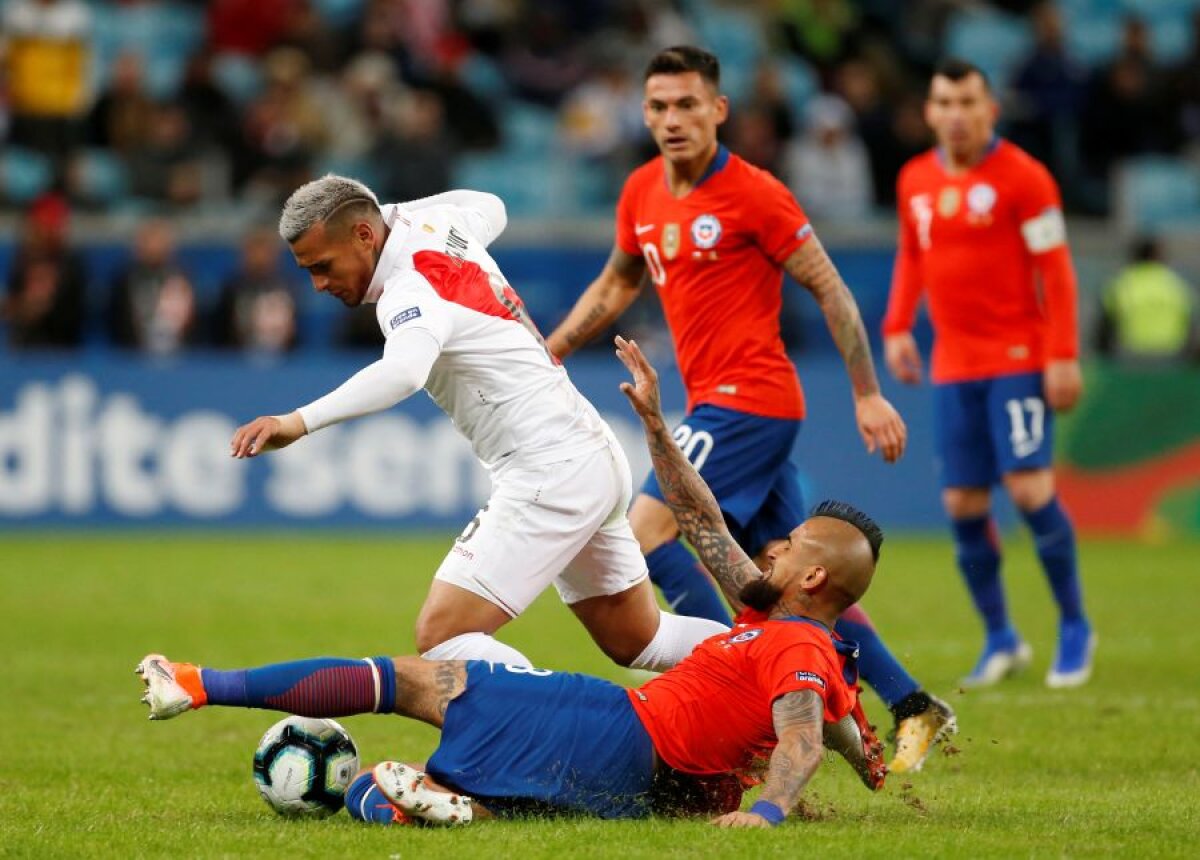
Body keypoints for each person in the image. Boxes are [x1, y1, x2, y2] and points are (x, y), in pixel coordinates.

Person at [137, 337, 888, 828]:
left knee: (424, 681)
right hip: (643, 778)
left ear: (813, 577)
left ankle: (201, 684)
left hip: (620, 729)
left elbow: (801, 737)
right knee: (369, 790)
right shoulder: (775, 617)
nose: (771, 548)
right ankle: (459, 809)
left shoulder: (796, 645)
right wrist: (657, 426)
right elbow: (700, 518)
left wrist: (769, 814)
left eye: (786, 548)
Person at [544, 45, 952, 772]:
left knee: (643, 536)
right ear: (644, 113)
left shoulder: (756, 194)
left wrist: (865, 392)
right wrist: (555, 349)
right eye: (659, 106)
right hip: (723, 405)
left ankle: (734, 685)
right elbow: (616, 283)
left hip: (750, 401)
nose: (673, 120)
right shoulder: (641, 190)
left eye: (688, 105)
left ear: (718, 110)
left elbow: (829, 286)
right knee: (789, 590)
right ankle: (913, 703)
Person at [229, 175, 727, 677]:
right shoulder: (438, 224)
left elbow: (403, 372)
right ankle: (775, 660)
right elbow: (491, 204)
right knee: (637, 637)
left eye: (322, 266)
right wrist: (390, 213)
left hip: (548, 471)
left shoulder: (409, 289)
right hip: (587, 453)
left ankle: (569, 729)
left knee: (443, 634)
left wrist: (296, 422)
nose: (318, 284)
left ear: (364, 236)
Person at [882, 58, 1095, 689]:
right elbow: (912, 254)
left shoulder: (1025, 178)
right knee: (962, 503)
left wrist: (1062, 354)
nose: (955, 114)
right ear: (928, 111)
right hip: (954, 363)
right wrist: (896, 325)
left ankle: (1076, 625)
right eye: (943, 102)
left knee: (1029, 491)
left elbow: (1056, 271)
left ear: (990, 109)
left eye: (967, 102)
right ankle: (1001, 636)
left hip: (1018, 359)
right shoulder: (914, 178)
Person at [1096, 237, 1197, 363]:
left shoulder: (1120, 285)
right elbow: (1191, 331)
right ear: (1161, 257)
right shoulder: (1177, 286)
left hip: (1129, 359)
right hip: (1172, 360)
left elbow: (1103, 332)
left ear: (1133, 256)